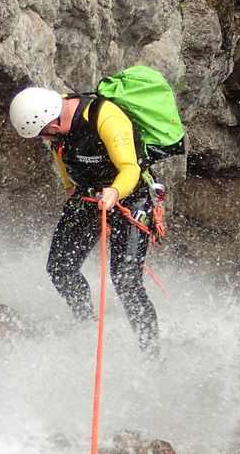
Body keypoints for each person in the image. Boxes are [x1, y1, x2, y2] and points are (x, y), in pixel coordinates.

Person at [9, 86, 159, 356]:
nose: (44, 139)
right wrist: (71, 188)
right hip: (88, 198)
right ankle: (85, 323)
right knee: (60, 269)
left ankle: (151, 352)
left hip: (130, 196)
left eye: (44, 134)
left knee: (126, 280)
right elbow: (63, 160)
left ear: (53, 122)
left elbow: (130, 168)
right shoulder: (57, 128)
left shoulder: (104, 116)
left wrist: (114, 192)